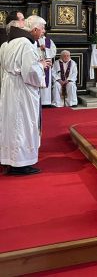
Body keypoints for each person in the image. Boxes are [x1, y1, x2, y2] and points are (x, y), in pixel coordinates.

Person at [0, 15, 51, 175]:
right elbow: (30, 72)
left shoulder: (7, 43)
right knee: (23, 124)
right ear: (34, 29)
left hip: (9, 88)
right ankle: (20, 164)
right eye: (42, 29)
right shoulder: (26, 44)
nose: (44, 32)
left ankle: (9, 159)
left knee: (10, 124)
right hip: (22, 90)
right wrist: (41, 65)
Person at [37, 34, 56, 106]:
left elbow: (53, 52)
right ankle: (38, 102)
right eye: (41, 29)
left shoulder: (49, 41)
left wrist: (46, 49)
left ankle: (46, 102)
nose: (42, 32)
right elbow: (31, 51)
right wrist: (39, 49)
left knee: (46, 82)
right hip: (38, 64)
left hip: (47, 64)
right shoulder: (34, 40)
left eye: (43, 30)